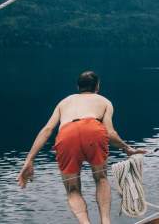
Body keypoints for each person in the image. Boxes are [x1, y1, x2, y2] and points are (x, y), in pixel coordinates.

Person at [16, 71, 146, 224]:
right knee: (101, 178)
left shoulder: (64, 102)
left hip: (67, 134)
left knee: (72, 190)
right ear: (97, 86)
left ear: (78, 86)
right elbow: (110, 133)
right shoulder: (104, 101)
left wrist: (29, 160)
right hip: (93, 129)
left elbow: (47, 130)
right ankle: (105, 221)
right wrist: (126, 148)